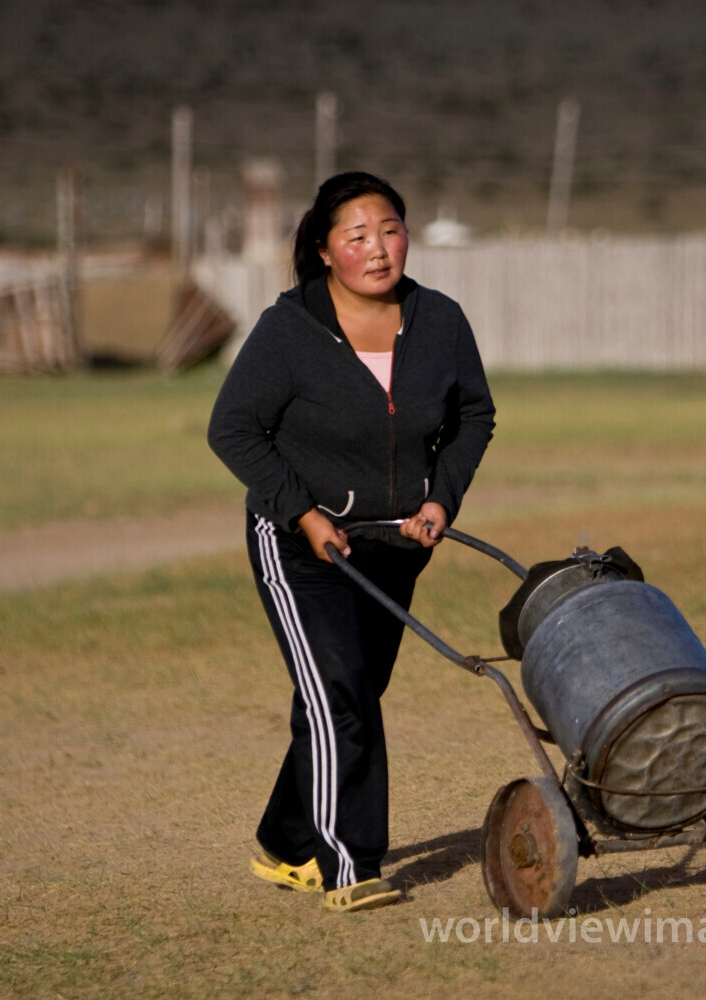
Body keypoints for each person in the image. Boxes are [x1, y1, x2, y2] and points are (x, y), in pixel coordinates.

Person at [208, 171, 495, 912]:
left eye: (390, 229)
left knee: (346, 696)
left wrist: (440, 499)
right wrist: (303, 514)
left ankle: (282, 843)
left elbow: (473, 417)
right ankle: (347, 865)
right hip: (299, 543)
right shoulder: (291, 329)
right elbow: (233, 427)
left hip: (395, 543)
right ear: (324, 250)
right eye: (357, 236)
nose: (378, 248)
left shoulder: (441, 321)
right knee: (342, 700)